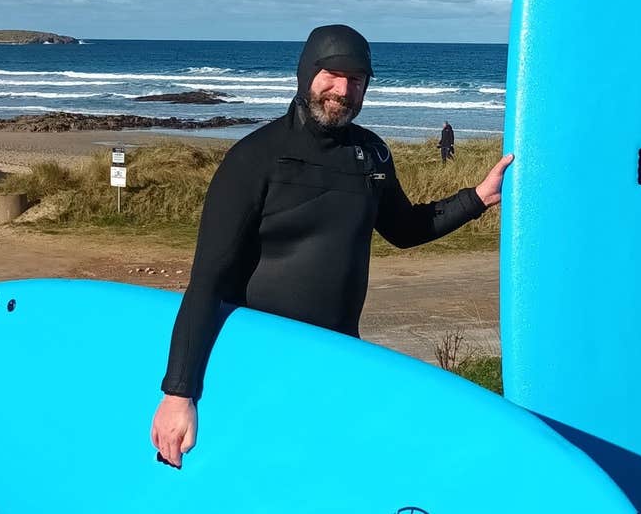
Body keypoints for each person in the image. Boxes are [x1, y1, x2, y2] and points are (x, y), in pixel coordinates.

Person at [150, 24, 514, 468]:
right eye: (332, 74)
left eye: (357, 79)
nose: (343, 89)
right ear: (307, 73)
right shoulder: (253, 158)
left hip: (338, 357)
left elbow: (405, 229)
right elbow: (206, 281)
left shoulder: (373, 155)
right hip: (258, 355)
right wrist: (177, 392)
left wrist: (477, 198)